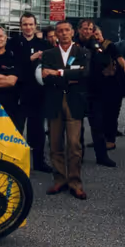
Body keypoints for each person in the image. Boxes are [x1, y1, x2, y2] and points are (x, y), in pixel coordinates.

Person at [42, 21, 91, 200]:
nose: (63, 33)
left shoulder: (82, 52)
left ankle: (75, 182)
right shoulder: (48, 54)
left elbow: (84, 74)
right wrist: (70, 74)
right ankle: (59, 179)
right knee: (55, 144)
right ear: (56, 34)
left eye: (67, 30)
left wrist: (58, 73)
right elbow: (46, 78)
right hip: (54, 102)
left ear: (72, 32)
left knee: (74, 145)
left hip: (74, 102)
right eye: (60, 31)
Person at [76, 20, 125, 166]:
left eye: (90, 29)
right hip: (78, 90)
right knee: (78, 127)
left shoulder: (97, 44)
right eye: (85, 29)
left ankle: (102, 156)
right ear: (79, 30)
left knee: (98, 125)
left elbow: (105, 61)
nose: (88, 31)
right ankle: (79, 156)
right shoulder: (74, 44)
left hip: (95, 91)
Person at [10, 13, 52, 173]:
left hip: (37, 94)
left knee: (37, 131)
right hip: (18, 94)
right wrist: (30, 58)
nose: (28, 27)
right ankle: (15, 163)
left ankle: (39, 162)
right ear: (21, 26)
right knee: (17, 130)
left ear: (35, 26)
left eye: (31, 24)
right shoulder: (12, 43)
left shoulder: (43, 44)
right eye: (25, 24)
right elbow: (11, 65)